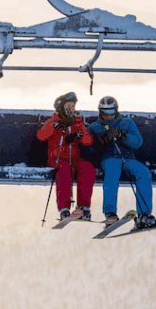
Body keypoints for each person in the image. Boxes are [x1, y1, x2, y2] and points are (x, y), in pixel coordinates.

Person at [85, 96, 156, 229]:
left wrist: (121, 136)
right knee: (113, 171)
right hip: (108, 159)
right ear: (100, 112)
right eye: (106, 112)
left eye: (112, 111)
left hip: (128, 158)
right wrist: (99, 142)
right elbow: (86, 152)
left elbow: (137, 142)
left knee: (143, 173)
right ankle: (110, 213)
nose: (109, 115)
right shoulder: (94, 127)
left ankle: (144, 214)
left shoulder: (127, 123)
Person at [36, 91, 94, 221]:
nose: (71, 110)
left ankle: (83, 206)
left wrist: (79, 132)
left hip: (74, 159)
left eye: (73, 107)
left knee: (87, 168)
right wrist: (55, 126)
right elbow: (41, 136)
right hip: (57, 160)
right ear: (61, 108)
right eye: (68, 106)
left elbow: (88, 141)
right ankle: (64, 208)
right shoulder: (52, 122)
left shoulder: (77, 124)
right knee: (64, 170)